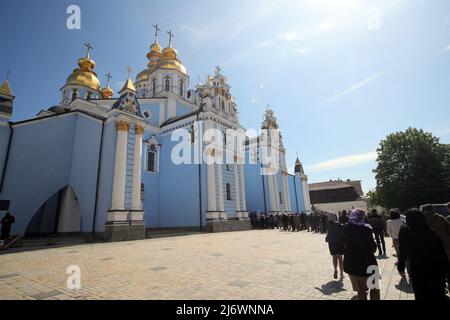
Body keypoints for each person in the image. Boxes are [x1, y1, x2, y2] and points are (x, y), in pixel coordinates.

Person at [397, 208, 449, 300]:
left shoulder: (406, 233)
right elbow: (441, 253)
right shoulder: (432, 233)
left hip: (418, 269)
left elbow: (403, 251)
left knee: (421, 293)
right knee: (437, 293)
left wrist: (401, 267)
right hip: (436, 269)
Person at [343, 209, 380, 300]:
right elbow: (373, 249)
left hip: (352, 265)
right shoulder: (366, 229)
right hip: (368, 264)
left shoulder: (346, 228)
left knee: (361, 292)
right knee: (375, 290)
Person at [326, 213, 345, 279]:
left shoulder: (328, 225)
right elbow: (343, 233)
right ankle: (342, 274)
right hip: (339, 242)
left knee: (334, 258)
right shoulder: (339, 224)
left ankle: (335, 270)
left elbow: (327, 233)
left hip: (332, 243)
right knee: (340, 258)